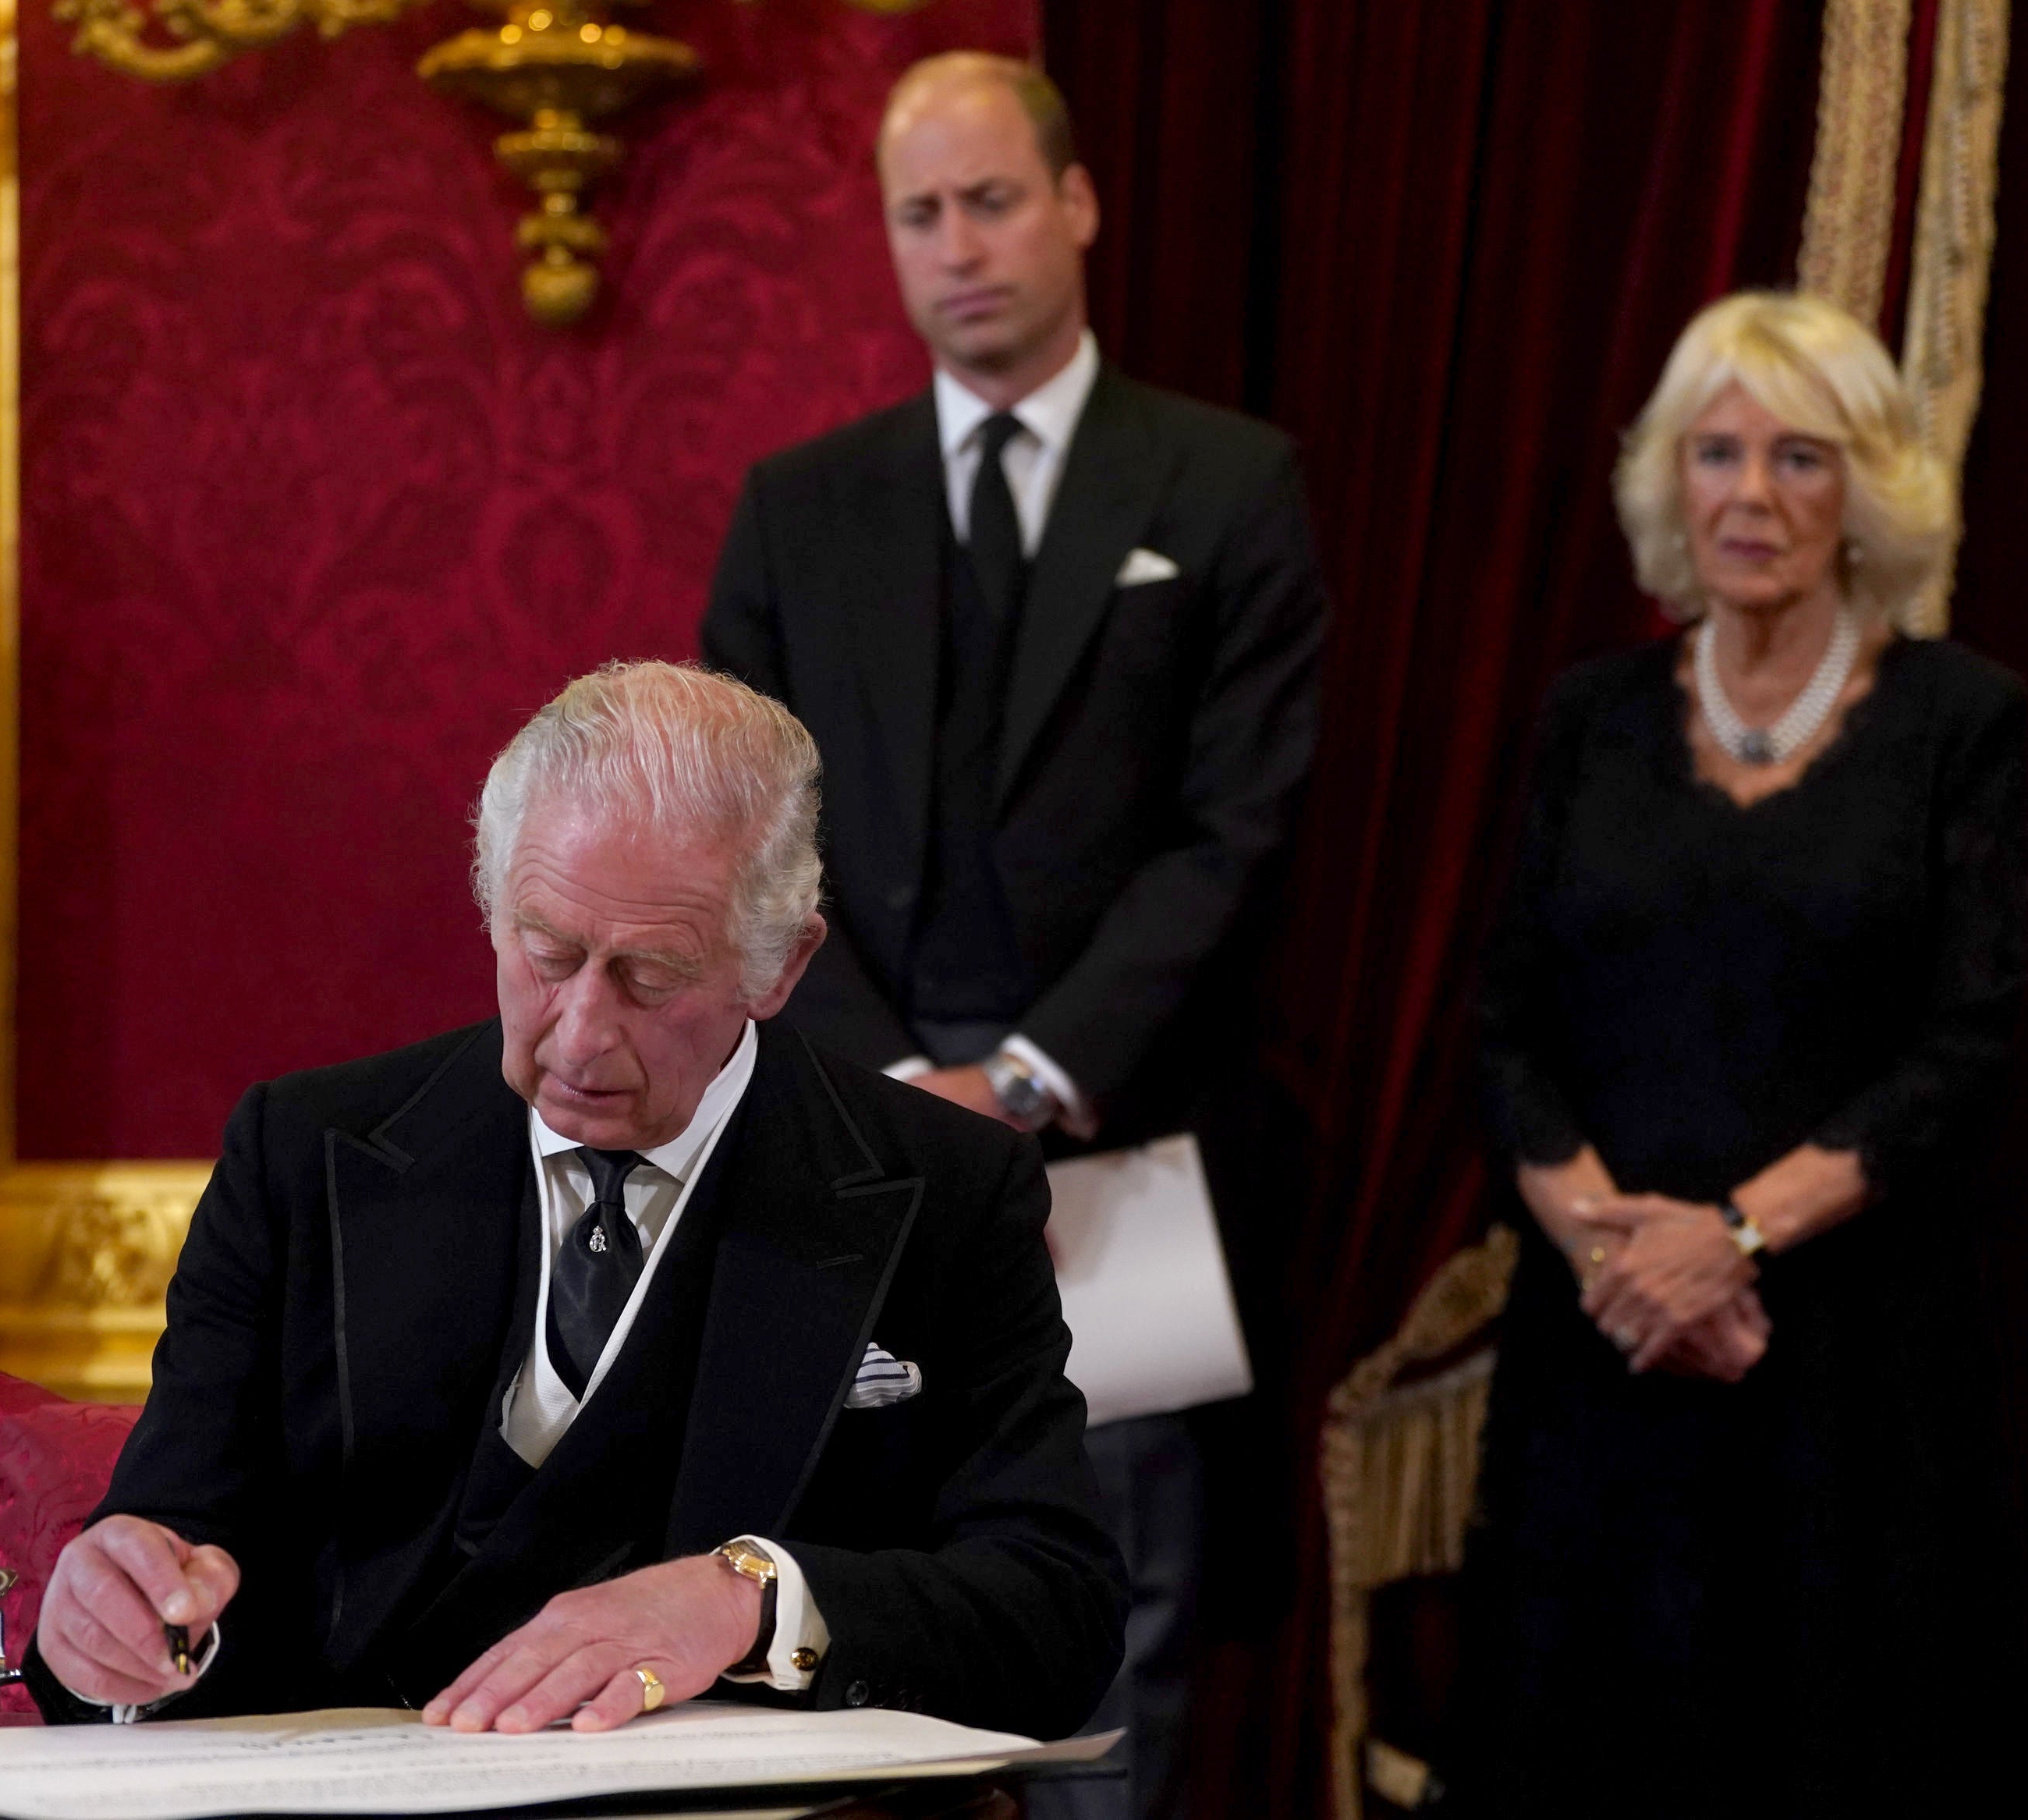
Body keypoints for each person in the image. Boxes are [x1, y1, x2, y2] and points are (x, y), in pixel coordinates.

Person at [20, 662, 1126, 1738]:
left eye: (650, 978)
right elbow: (171, 1554)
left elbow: (1058, 1614)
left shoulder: (946, 1189)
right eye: (547, 953)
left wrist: (751, 1600)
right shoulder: (301, 1156)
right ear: (493, 908)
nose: (582, 1032)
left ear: (779, 967)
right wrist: (115, 1628)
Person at [700, 51, 1326, 1820]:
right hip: (843, 1148)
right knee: (840, 1638)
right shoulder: (798, 507)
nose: (959, 245)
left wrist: (1028, 1082)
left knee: (1115, 1641)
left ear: (1076, 206)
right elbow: (742, 838)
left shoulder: (1224, 484)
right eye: (921, 214)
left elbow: (1240, 831)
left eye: (991, 200)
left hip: (1115, 1159)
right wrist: (906, 1090)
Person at [1455, 291, 2028, 1816]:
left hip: (1842, 1365)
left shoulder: (1961, 719)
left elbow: (1969, 1040)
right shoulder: (1587, 716)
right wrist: (1622, 1259)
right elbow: (1503, 1022)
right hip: (1603, 1349)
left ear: (1865, 495)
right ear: (1669, 484)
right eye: (1716, 454)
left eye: (1799, 456)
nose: (1751, 495)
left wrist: (1731, 1239)